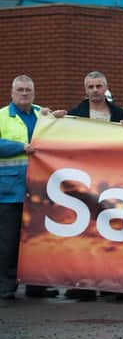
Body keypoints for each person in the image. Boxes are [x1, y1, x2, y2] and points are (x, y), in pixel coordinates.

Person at [0, 75, 62, 300]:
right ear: (12, 92)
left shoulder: (42, 115)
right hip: (9, 191)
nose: (24, 93)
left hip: (39, 189)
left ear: (34, 93)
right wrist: (20, 147)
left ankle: (37, 285)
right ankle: (6, 285)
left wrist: (63, 121)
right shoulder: (2, 117)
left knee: (38, 241)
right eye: (20, 90)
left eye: (28, 90)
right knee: (9, 241)